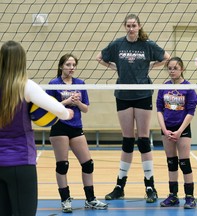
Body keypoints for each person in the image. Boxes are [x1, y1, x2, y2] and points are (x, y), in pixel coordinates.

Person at [96, 13, 170, 203]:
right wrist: (115, 68)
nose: (131, 28)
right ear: (124, 27)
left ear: (139, 26)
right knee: (127, 140)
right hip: (123, 95)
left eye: (133, 25)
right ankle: (120, 186)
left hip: (143, 94)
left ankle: (150, 186)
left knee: (144, 140)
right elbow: (99, 57)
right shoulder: (117, 44)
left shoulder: (147, 44)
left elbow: (167, 57)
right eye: (128, 25)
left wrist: (151, 67)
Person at [0, 41, 74, 216]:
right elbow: (58, 109)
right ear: (22, 61)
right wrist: (66, 114)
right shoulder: (26, 86)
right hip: (21, 162)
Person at [46, 54, 108, 213]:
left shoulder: (80, 84)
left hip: (76, 126)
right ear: (61, 66)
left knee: (88, 164)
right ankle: (65, 200)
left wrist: (77, 102)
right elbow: (49, 109)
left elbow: (85, 109)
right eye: (68, 65)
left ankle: (90, 199)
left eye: (73, 65)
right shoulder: (54, 84)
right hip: (59, 127)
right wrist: (66, 102)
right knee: (62, 165)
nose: (71, 68)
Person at [156, 57, 197, 209]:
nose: (172, 70)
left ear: (182, 69)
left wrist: (180, 131)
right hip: (166, 128)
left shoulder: (188, 87)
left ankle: (189, 197)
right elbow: (159, 109)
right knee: (171, 163)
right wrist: (164, 129)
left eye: (175, 68)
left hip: (183, 129)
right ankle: (173, 195)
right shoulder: (164, 87)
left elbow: (191, 111)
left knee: (184, 163)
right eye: (170, 68)